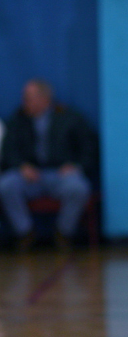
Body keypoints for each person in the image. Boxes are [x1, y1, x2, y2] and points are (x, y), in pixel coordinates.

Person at [0, 79, 97, 251]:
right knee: (5, 185)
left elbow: (89, 148)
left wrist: (76, 166)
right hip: (30, 176)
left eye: (28, 98)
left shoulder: (69, 118)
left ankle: (63, 233)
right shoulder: (18, 119)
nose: (25, 102)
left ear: (44, 99)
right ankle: (25, 232)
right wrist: (22, 166)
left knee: (79, 188)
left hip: (60, 175)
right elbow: (9, 151)